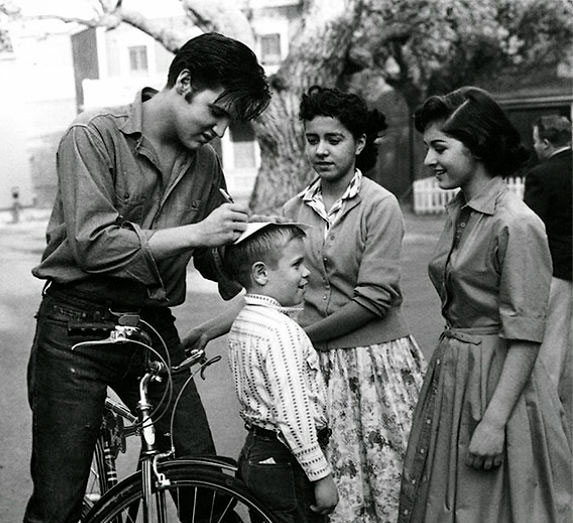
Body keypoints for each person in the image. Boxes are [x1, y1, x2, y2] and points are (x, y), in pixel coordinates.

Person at [25, 32, 270, 523]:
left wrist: (252, 252)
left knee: (202, 480)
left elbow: (208, 257)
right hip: (75, 326)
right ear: (183, 83)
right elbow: (94, 244)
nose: (220, 131)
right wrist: (197, 232)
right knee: (58, 500)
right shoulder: (91, 135)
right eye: (216, 113)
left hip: (152, 326)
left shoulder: (205, 160)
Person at [398, 87, 572, 523]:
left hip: (498, 385)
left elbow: (528, 332)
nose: (428, 161)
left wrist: (494, 423)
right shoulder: (460, 210)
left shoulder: (516, 222)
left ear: (476, 146)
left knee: (495, 505)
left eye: (440, 148)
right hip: (454, 373)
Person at [282, 86, 426, 523]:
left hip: (374, 366)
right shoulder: (294, 208)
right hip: (316, 369)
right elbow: (276, 288)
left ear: (359, 143)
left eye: (334, 139)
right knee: (326, 495)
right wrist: (214, 327)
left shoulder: (380, 205)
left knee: (384, 488)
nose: (321, 150)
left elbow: (374, 300)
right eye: (312, 140)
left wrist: (299, 337)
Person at [223, 221, 338, 523]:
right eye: (297, 265)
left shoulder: (244, 322)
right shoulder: (280, 331)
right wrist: (320, 474)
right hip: (286, 461)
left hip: (258, 455)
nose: (306, 273)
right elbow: (293, 414)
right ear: (261, 274)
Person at [524, 115, 572, 433]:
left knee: (553, 341)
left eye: (535, 140)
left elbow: (532, 227)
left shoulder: (541, 174)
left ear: (545, 143)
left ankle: (549, 410)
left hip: (558, 266)